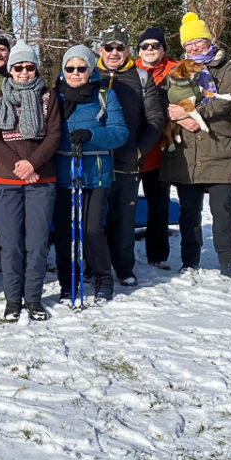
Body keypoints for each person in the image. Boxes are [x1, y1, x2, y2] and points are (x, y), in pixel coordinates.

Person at [161, 13, 231, 276]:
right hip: (187, 152)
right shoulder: (176, 71)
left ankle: (228, 261)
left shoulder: (226, 67)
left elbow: (225, 100)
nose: (195, 48)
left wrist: (190, 113)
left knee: (222, 210)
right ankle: (190, 260)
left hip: (218, 148)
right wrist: (180, 118)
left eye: (199, 42)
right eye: (189, 44)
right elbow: (163, 102)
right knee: (189, 212)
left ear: (210, 41)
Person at [0, 43, 61, 321]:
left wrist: (32, 163)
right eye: (18, 67)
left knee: (37, 244)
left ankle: (34, 299)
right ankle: (13, 299)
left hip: (41, 179)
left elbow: (54, 135)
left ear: (36, 68)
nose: (24, 72)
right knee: (10, 245)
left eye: (29, 67)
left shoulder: (48, 96)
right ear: (10, 70)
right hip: (6, 181)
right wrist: (20, 166)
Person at [52, 45, 128, 303]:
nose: (75, 73)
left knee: (92, 229)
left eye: (81, 68)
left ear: (90, 70)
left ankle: (102, 279)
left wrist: (92, 135)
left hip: (96, 171)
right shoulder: (54, 96)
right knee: (65, 231)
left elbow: (120, 132)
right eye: (70, 68)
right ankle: (67, 281)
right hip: (63, 172)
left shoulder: (105, 95)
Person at [94, 24, 166, 287]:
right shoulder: (88, 73)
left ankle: (124, 267)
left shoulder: (141, 78)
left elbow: (155, 120)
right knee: (93, 218)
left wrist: (139, 149)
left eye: (120, 48)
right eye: (109, 47)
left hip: (127, 159)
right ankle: (94, 265)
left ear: (127, 50)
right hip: (94, 159)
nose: (114, 53)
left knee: (124, 218)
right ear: (100, 50)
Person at [133, 27, 177, 270]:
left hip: (160, 151)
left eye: (155, 45)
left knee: (158, 205)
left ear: (163, 49)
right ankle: (119, 253)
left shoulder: (176, 70)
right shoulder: (130, 71)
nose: (150, 49)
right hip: (132, 151)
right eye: (145, 46)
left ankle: (158, 255)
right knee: (125, 204)